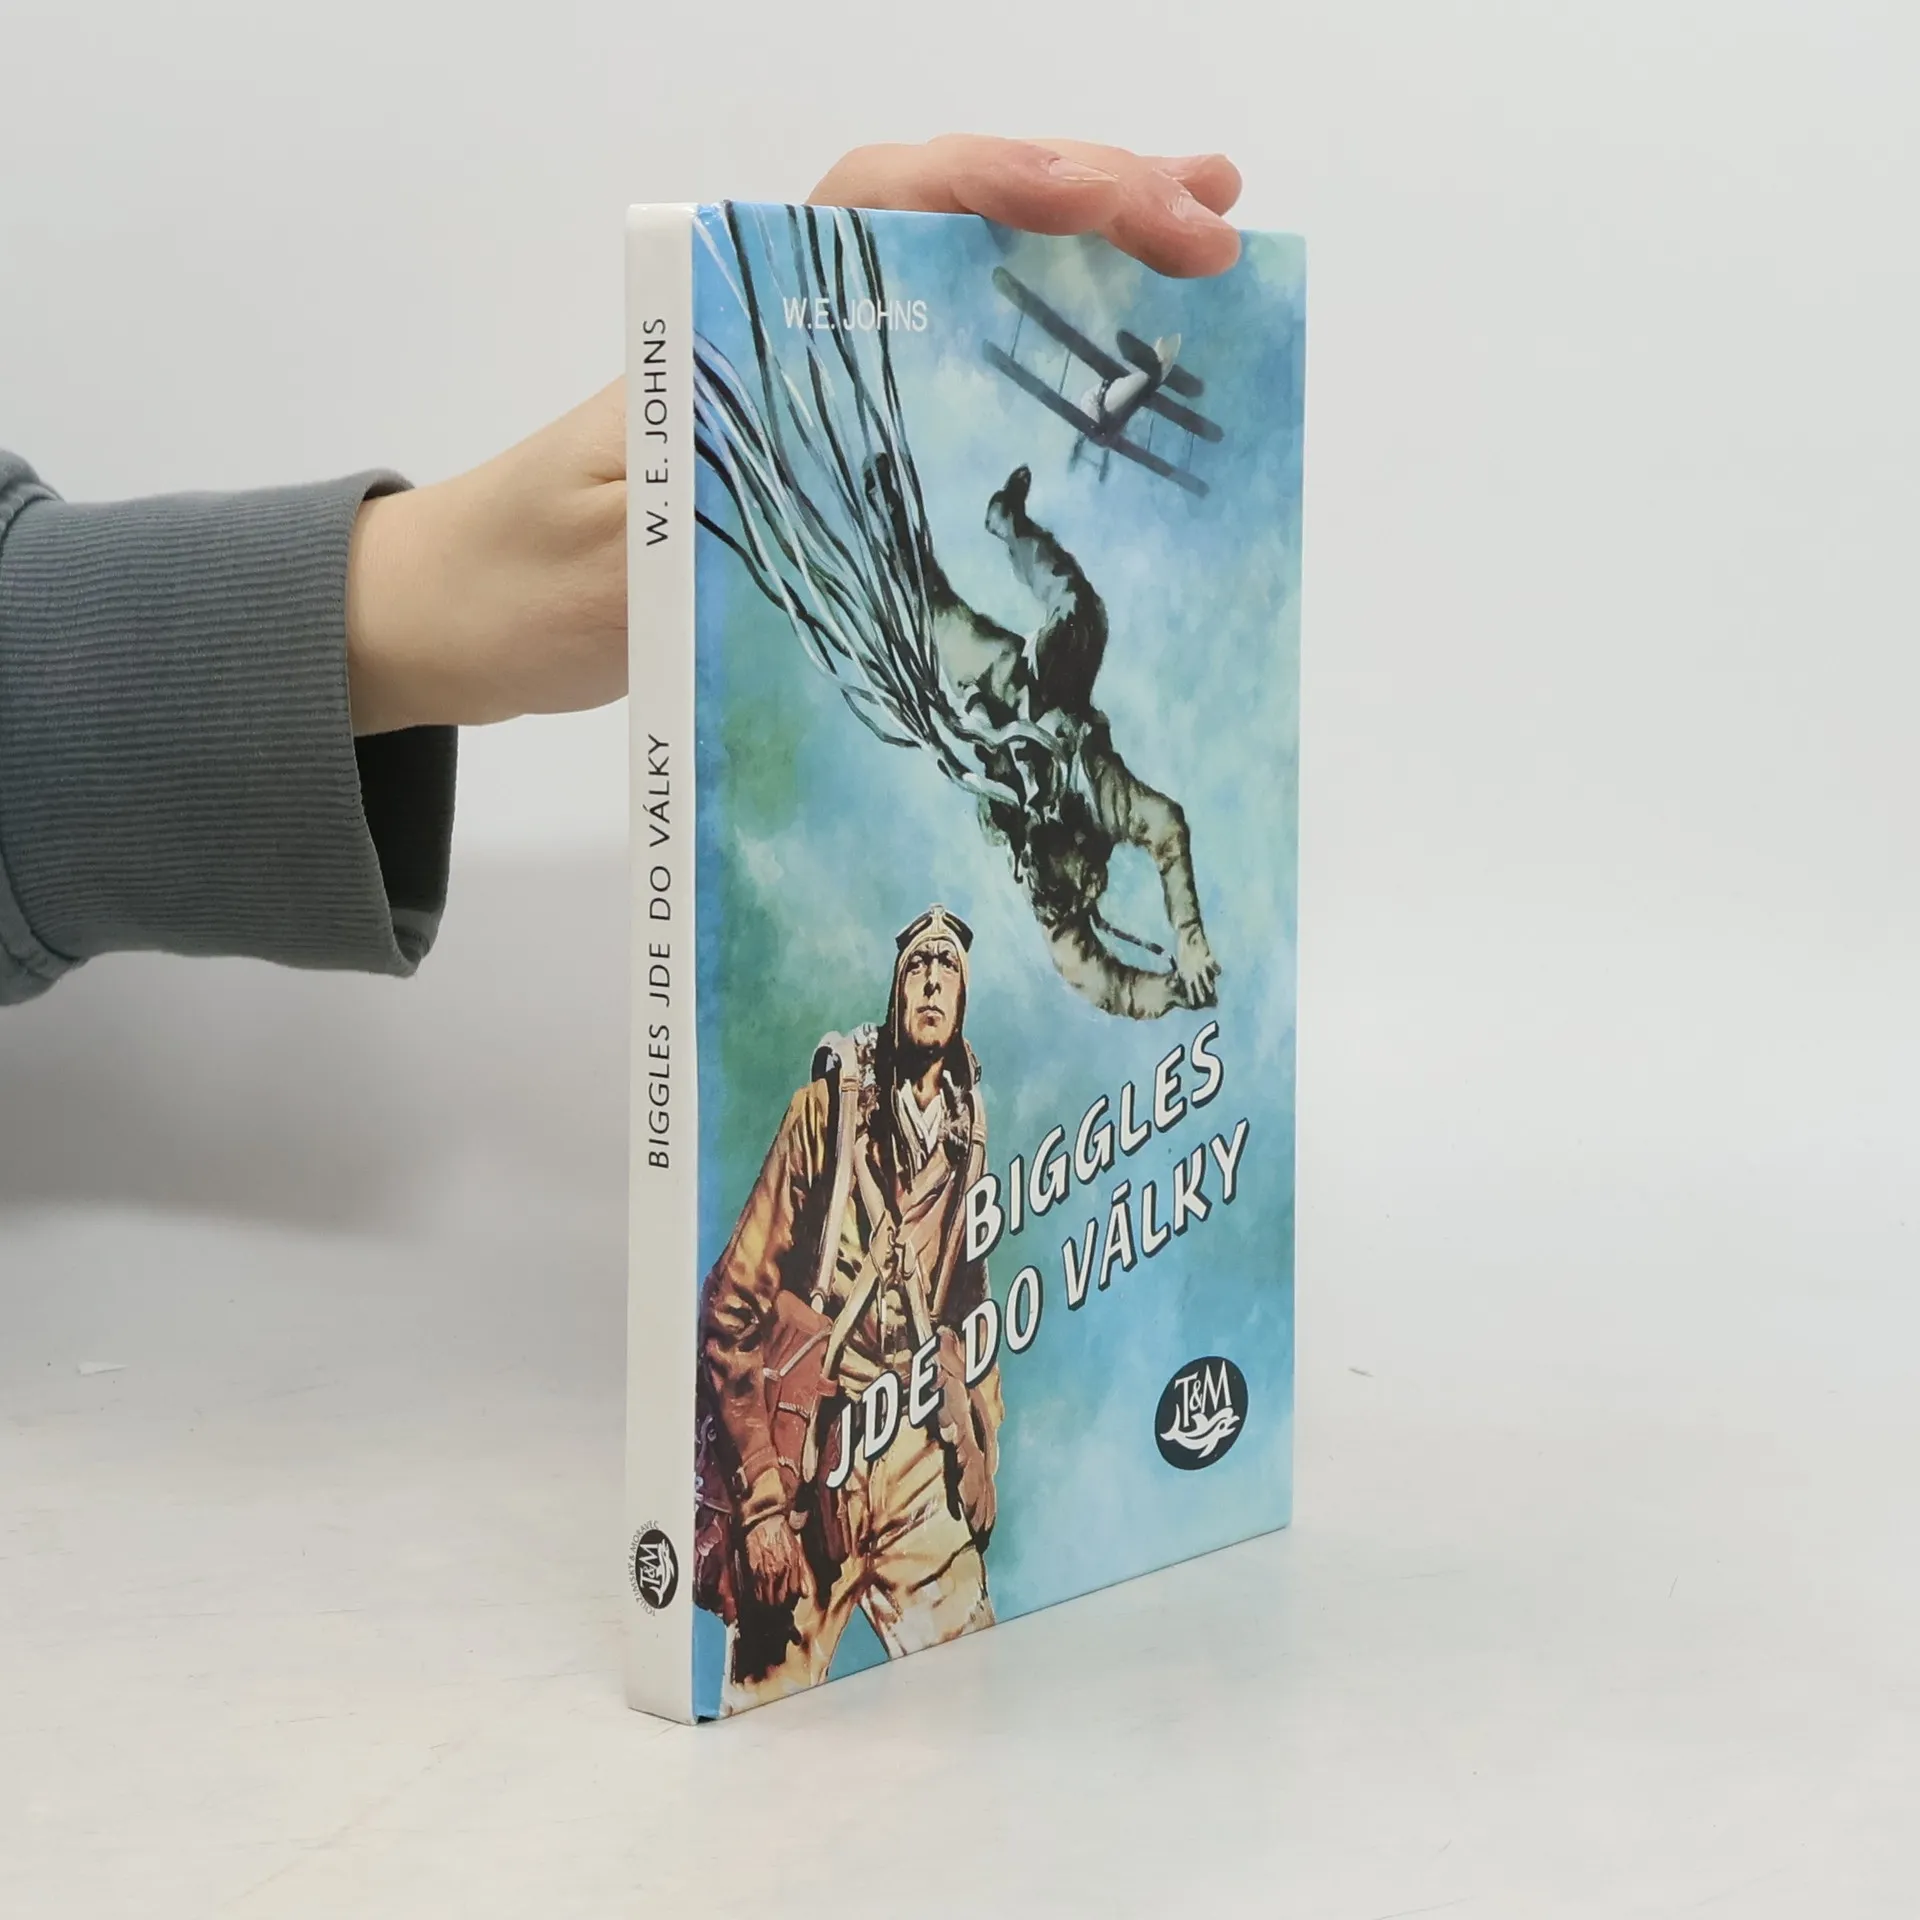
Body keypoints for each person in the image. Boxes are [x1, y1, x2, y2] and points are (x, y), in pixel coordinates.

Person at [0, 138, 1242, 1009]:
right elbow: (1170, 826)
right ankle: (963, 524)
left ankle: (900, 527)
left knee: (903, 608)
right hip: (997, 675)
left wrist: (1168, 988)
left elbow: (1098, 977)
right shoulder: (1108, 788)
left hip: (952, 698)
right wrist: (1186, 937)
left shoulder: (1057, 893)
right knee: (1023, 612)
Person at [696, 906, 999, 1710]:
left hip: (914, 1457)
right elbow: (730, 1312)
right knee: (760, 1716)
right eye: (917, 966)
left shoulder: (968, 1134)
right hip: (810, 1471)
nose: (931, 980)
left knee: (973, 1687)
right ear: (896, 990)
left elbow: (971, 1308)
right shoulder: (823, 1116)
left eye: (947, 967)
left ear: (963, 996)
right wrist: (762, 1504)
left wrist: (979, 1450)